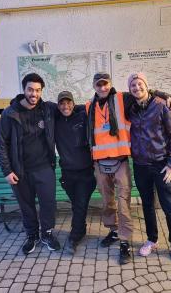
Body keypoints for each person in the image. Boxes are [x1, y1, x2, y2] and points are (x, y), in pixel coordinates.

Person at [126, 72, 171, 267]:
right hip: (141, 165)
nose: (137, 88)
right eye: (133, 85)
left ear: (146, 85)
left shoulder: (162, 105)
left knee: (169, 207)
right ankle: (152, 240)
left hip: (162, 166)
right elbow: (110, 94)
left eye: (140, 84)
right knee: (147, 205)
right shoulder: (131, 108)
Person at [0, 73, 60, 255]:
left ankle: (47, 234)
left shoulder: (47, 109)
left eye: (38, 90)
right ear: (24, 89)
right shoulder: (10, 114)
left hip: (44, 168)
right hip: (20, 171)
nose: (34, 94)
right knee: (26, 205)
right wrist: (7, 171)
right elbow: (1, 144)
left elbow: (68, 109)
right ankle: (31, 235)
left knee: (48, 203)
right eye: (30, 89)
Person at [86, 72, 134, 265]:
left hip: (120, 160)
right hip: (100, 162)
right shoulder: (89, 106)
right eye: (99, 84)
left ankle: (125, 241)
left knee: (123, 203)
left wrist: (167, 98)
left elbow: (145, 93)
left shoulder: (122, 98)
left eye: (105, 84)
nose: (103, 87)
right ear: (94, 86)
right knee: (107, 202)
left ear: (111, 84)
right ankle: (113, 231)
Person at [55, 91, 96, 254]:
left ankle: (74, 237)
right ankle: (82, 228)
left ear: (73, 103)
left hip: (85, 173)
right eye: (62, 103)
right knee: (77, 205)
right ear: (58, 106)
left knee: (79, 205)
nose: (66, 106)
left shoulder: (82, 117)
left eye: (69, 103)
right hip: (67, 174)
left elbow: (92, 106)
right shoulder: (55, 121)